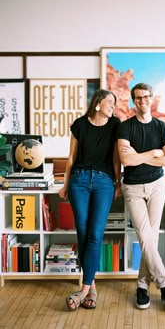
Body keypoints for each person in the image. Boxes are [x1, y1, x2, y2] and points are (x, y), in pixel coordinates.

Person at [59, 89, 121, 311]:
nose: (113, 106)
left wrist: (118, 182)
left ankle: (83, 290)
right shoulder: (80, 125)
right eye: (110, 102)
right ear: (97, 103)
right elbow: (71, 157)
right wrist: (65, 184)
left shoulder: (115, 125)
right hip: (79, 181)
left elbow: (115, 157)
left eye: (115, 103)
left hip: (104, 182)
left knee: (96, 234)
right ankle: (92, 286)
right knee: (83, 234)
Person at [117, 83, 165, 311]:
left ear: (152, 98)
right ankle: (164, 284)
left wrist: (141, 156)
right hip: (132, 188)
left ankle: (142, 286)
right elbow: (126, 161)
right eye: (138, 98)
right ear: (134, 101)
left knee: (151, 237)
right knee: (145, 235)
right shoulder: (125, 127)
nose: (142, 101)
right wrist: (153, 153)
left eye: (146, 97)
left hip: (156, 186)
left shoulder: (161, 127)